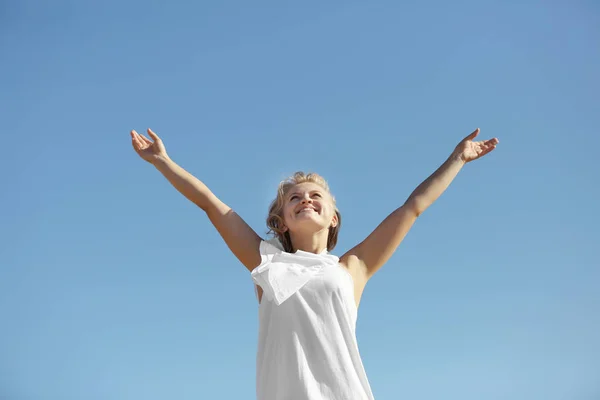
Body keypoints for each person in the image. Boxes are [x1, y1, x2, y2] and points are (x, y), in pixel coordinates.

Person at [130, 128, 499, 399]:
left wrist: (457, 160)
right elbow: (212, 205)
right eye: (294, 198)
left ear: (333, 216)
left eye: (315, 195)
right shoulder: (265, 261)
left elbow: (413, 207)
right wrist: (164, 162)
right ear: (282, 220)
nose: (305, 199)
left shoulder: (352, 267)